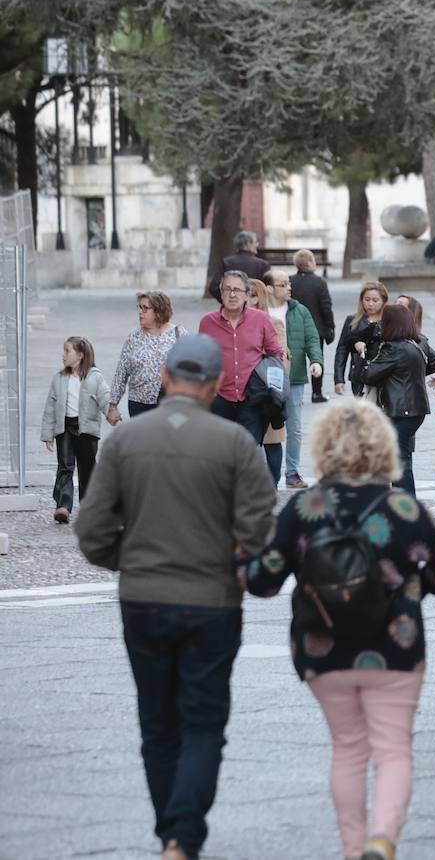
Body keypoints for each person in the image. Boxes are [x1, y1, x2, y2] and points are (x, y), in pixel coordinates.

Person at [74, 334, 278, 860]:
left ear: (165, 378)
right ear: (215, 385)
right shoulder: (236, 445)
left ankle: (173, 830)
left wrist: (130, 559)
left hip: (143, 597)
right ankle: (181, 836)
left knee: (157, 722)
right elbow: (258, 533)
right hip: (212, 600)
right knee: (204, 722)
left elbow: (92, 531)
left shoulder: (125, 441)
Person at [239, 399, 435, 860]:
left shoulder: (305, 507)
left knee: (347, 749)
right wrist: (413, 583)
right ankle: (382, 839)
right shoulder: (402, 507)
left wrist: (239, 554)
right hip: (396, 646)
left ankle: (352, 848)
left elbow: (264, 581)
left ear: (325, 447)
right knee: (393, 749)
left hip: (324, 649)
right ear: (383, 447)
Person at [360, 304, 435, 493]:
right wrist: (412, 373)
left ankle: (405, 502)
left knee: (399, 461)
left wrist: (362, 356)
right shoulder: (419, 342)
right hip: (416, 409)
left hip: (400, 410)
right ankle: (404, 500)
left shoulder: (393, 348)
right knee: (402, 457)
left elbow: (368, 375)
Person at [198, 269, 284, 444]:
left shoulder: (261, 319)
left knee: (248, 450)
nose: (232, 294)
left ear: (246, 294)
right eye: (227, 289)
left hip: (252, 398)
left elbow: (275, 353)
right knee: (222, 451)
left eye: (237, 290)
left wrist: (272, 388)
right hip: (219, 398)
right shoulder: (208, 322)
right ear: (221, 293)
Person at [40, 336, 109, 524]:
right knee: (65, 466)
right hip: (65, 428)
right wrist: (47, 433)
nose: (63, 355)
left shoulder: (95, 377)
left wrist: (111, 411)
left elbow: (104, 397)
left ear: (80, 355)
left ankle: (89, 506)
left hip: (86, 429)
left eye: (67, 351)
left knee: (87, 469)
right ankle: (63, 506)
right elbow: (50, 406)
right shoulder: (59, 378)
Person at [265, 270, 324, 489]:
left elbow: (312, 339)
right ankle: (264, 473)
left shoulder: (300, 311)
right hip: (264, 378)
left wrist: (316, 361)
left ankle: (292, 472)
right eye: (283, 285)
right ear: (269, 288)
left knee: (295, 427)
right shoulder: (258, 311)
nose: (289, 288)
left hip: (295, 376)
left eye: (289, 284)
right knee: (265, 427)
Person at [108, 291, 185, 423]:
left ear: (159, 311)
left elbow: (190, 369)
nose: (140, 312)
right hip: (139, 404)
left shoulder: (178, 334)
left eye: (145, 308)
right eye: (139, 307)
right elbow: (121, 373)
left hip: (171, 403)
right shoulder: (133, 338)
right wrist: (112, 406)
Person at [245, 278, 288, 484]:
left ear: (257, 298)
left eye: (249, 295)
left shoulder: (273, 322)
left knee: (272, 441)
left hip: (266, 388)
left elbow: (281, 358)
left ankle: (273, 484)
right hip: (243, 390)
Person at [290, 250, 336, 402]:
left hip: (294, 327)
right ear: (310, 263)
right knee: (317, 359)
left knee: (295, 360)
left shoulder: (290, 281)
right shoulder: (319, 282)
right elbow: (326, 307)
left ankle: (294, 393)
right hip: (317, 328)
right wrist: (330, 327)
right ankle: (317, 392)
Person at [335, 282, 388, 397]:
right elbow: (342, 350)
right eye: (367, 299)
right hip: (359, 375)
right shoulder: (353, 320)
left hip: (383, 375)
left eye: (375, 300)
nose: (370, 304)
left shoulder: (388, 322)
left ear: (383, 301)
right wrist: (339, 379)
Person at [210, 230, 270, 300]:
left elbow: (214, 287)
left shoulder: (226, 262)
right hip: (255, 304)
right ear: (248, 244)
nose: (257, 244)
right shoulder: (262, 264)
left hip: (231, 305)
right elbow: (269, 289)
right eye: (255, 242)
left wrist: (227, 300)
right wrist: (257, 301)